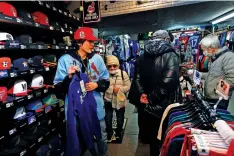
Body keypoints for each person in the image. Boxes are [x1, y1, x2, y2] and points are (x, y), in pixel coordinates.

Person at [53, 27, 110, 156]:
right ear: (79, 42)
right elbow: (58, 89)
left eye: (93, 42)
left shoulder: (98, 59)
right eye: (89, 41)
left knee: (101, 137)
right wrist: (68, 78)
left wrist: (97, 84)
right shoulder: (65, 60)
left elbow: (106, 80)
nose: (92, 44)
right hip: (75, 111)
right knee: (77, 141)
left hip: (96, 108)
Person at [132, 30, 180, 156]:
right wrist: (151, 97)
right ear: (166, 39)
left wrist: (143, 95)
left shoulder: (142, 56)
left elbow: (136, 78)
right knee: (164, 138)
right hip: (164, 103)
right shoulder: (171, 55)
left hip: (147, 106)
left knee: (153, 138)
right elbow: (168, 82)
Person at [199, 34, 234, 110]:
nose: (203, 52)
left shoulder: (228, 57)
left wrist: (216, 90)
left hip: (218, 100)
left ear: (211, 48)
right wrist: (200, 75)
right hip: (212, 98)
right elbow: (213, 75)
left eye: (203, 50)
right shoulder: (216, 57)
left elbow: (232, 78)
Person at [104, 55, 131, 142]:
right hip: (107, 100)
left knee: (120, 119)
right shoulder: (104, 75)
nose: (112, 68)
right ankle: (110, 133)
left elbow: (128, 86)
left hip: (119, 100)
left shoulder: (123, 74)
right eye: (109, 66)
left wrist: (119, 89)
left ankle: (119, 133)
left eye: (114, 65)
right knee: (108, 118)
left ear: (118, 65)